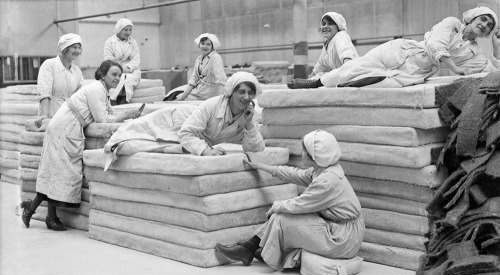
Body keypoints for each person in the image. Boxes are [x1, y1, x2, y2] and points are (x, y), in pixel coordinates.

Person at [216, 130, 365, 271]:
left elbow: (298, 205)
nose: (302, 153)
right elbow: (294, 174)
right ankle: (249, 249)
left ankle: (249, 249)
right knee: (281, 215)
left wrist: (276, 206)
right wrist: (261, 166)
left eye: (305, 150)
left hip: (343, 239)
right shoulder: (323, 170)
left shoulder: (327, 181)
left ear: (315, 155)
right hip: (337, 227)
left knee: (281, 218)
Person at [20, 60, 141, 231]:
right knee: (59, 173)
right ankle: (37, 212)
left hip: (69, 127)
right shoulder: (96, 89)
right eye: (113, 74)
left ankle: (43, 214)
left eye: (119, 76)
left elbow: (109, 112)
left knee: (56, 173)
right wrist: (127, 114)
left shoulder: (102, 91)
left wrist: (128, 114)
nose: (117, 78)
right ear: (103, 74)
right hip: (64, 128)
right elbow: (103, 120)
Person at [288, 7, 500, 89]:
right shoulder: (452, 23)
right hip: (403, 50)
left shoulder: (475, 54)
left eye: (489, 26)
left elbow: (491, 72)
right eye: (482, 19)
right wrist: (454, 67)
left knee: (379, 87)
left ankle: (344, 87)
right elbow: (436, 44)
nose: (484, 25)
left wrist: (496, 48)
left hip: (417, 71)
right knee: (360, 64)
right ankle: (316, 82)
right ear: (472, 18)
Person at [103, 71, 264, 169]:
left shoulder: (250, 115)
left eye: (250, 93)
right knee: (133, 133)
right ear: (231, 92)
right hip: (176, 119)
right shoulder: (212, 105)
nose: (246, 97)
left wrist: (250, 126)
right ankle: (113, 137)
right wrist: (205, 151)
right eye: (241, 92)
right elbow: (186, 132)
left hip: (192, 134)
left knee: (155, 146)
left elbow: (255, 150)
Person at [35, 33, 84, 127]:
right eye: (74, 47)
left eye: (79, 47)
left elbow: (81, 93)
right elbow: (44, 91)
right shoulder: (49, 65)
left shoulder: (76, 70)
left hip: (69, 115)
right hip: (51, 113)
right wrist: (44, 115)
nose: (77, 51)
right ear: (65, 48)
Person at [173, 33, 227, 101]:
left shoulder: (215, 58)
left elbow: (221, 80)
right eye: (202, 43)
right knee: (176, 97)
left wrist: (221, 99)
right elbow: (193, 80)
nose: (204, 46)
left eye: (208, 44)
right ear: (199, 45)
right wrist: (182, 98)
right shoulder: (198, 59)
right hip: (199, 91)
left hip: (210, 94)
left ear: (212, 47)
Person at [309, 12, 358, 80]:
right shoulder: (327, 44)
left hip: (352, 76)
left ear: (338, 27)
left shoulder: (340, 36)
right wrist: (308, 80)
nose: (325, 27)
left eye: (330, 24)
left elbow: (347, 55)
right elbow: (320, 65)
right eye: (323, 24)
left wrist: (348, 76)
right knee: (319, 75)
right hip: (344, 77)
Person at [104, 18, 141, 104]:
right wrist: (121, 69)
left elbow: (136, 59)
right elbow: (108, 59)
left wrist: (128, 67)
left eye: (130, 30)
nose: (128, 32)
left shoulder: (133, 42)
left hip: (131, 70)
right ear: (119, 29)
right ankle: (112, 103)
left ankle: (124, 104)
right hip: (114, 68)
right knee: (116, 81)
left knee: (128, 81)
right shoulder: (110, 42)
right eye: (125, 30)